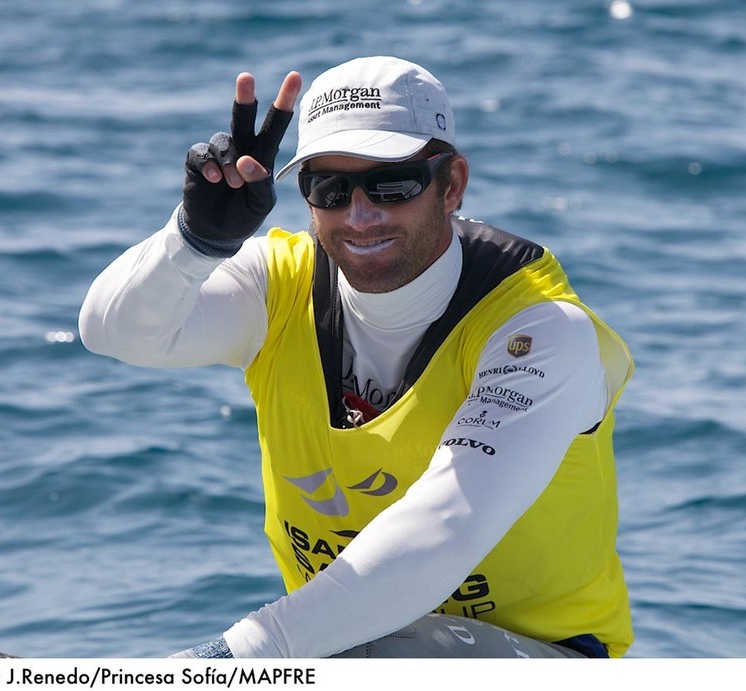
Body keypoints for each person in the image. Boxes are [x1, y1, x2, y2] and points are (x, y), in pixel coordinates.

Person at [78, 56, 634, 659]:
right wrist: (194, 242)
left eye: (392, 183)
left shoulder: (543, 331)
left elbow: (444, 531)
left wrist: (227, 663)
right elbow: (117, 331)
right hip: (343, 649)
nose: (360, 216)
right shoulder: (279, 284)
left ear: (452, 185)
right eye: (330, 189)